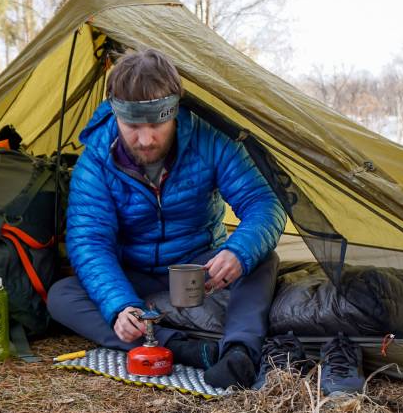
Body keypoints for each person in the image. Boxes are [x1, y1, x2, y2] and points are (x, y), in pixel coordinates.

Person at [47, 48, 286, 389]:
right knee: (62, 296)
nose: (146, 140)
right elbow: (89, 241)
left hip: (199, 270)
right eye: (132, 125)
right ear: (115, 114)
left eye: (157, 123)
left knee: (262, 257)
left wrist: (238, 252)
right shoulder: (96, 161)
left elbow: (263, 202)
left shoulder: (209, 139)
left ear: (174, 111)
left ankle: (240, 352)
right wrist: (119, 305)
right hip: (135, 276)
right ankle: (182, 348)